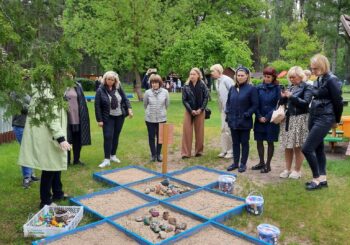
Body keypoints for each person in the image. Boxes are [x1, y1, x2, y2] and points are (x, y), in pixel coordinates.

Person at [18, 84, 72, 208]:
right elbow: (51, 118)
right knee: (49, 168)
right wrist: (61, 138)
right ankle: (45, 201)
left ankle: (58, 193)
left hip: (53, 135)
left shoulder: (54, 90)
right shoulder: (47, 93)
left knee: (56, 166)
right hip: (48, 136)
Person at [302, 54, 343, 190]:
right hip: (314, 115)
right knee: (318, 148)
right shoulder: (320, 78)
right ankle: (323, 179)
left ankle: (316, 179)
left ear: (323, 65)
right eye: (312, 68)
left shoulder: (332, 80)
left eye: (315, 68)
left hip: (325, 117)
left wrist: (336, 120)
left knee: (307, 148)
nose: (313, 71)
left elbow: (338, 103)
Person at [279, 66, 312, 179]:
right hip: (288, 119)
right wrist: (283, 97)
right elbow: (283, 103)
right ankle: (287, 169)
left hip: (300, 119)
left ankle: (297, 170)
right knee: (287, 146)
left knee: (297, 146)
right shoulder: (290, 87)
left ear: (300, 76)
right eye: (290, 77)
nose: (291, 79)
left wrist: (291, 97)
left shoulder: (307, 87)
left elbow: (306, 103)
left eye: (293, 77)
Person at [95, 71, 133, 168]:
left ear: (115, 80)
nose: (110, 81)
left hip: (119, 116)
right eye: (109, 79)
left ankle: (113, 155)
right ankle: (106, 159)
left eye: (113, 80)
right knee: (108, 136)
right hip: (108, 117)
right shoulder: (100, 90)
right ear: (105, 79)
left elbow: (125, 99)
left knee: (116, 136)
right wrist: (99, 120)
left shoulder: (118, 88)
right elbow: (97, 106)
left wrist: (129, 109)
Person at [225, 66, 258, 173]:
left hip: (244, 121)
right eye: (238, 75)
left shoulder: (251, 89)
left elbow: (255, 105)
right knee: (235, 143)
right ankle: (235, 163)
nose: (239, 77)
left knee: (244, 142)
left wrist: (247, 114)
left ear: (247, 76)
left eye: (242, 75)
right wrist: (227, 112)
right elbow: (228, 102)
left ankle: (243, 164)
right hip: (233, 120)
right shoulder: (232, 88)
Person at [252, 67, 281, 173]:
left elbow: (278, 105)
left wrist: (267, 117)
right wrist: (259, 116)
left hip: (272, 119)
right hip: (259, 119)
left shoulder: (278, 88)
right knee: (259, 141)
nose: (266, 78)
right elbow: (255, 103)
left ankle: (268, 165)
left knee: (270, 142)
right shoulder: (258, 87)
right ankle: (261, 162)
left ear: (273, 77)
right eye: (265, 76)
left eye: (268, 77)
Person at [11, 92, 40, 188]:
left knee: (30, 150)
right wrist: (36, 106)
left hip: (29, 126)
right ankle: (26, 177)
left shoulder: (27, 91)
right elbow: (24, 108)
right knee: (26, 151)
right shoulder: (15, 92)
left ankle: (31, 174)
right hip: (20, 126)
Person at [181, 67, 209, 159]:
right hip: (189, 111)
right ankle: (185, 153)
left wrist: (201, 109)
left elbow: (206, 97)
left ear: (198, 75)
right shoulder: (186, 86)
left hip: (200, 110)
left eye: (193, 74)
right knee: (187, 131)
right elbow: (184, 100)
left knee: (199, 132)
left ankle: (199, 152)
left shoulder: (202, 85)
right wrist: (190, 110)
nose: (191, 76)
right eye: (190, 74)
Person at [65, 78, 91, 166]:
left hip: (78, 117)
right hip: (66, 117)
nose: (68, 76)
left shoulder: (78, 86)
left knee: (78, 139)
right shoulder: (61, 87)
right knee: (66, 139)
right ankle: (66, 160)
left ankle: (76, 160)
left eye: (70, 75)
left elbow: (82, 101)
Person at [144, 74, 170, 162]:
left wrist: (161, 112)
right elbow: (145, 105)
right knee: (151, 137)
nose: (154, 84)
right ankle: (153, 155)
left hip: (161, 118)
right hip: (150, 118)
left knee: (160, 137)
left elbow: (167, 105)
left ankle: (158, 154)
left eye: (156, 82)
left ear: (160, 83)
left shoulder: (165, 92)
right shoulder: (147, 92)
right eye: (152, 83)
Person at [210, 64, 234, 159]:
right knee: (223, 129)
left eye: (213, 71)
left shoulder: (227, 80)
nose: (211, 73)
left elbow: (234, 93)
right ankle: (224, 150)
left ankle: (230, 151)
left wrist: (230, 108)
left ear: (218, 71)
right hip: (223, 110)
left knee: (228, 130)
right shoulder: (217, 82)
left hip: (230, 110)